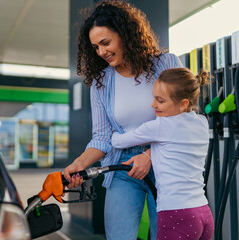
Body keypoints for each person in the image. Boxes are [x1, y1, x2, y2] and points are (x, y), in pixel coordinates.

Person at [63, 1, 183, 239]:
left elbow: (183, 121)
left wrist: (149, 155)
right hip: (122, 167)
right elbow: (102, 138)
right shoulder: (101, 82)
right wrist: (79, 164)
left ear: (126, 34)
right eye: (95, 47)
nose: (101, 52)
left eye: (105, 43)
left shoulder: (166, 64)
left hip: (165, 162)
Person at [111, 68, 215, 240]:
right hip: (203, 212)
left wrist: (112, 131)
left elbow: (118, 141)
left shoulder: (160, 126)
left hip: (177, 214)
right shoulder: (202, 122)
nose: (153, 104)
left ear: (183, 104)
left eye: (160, 100)